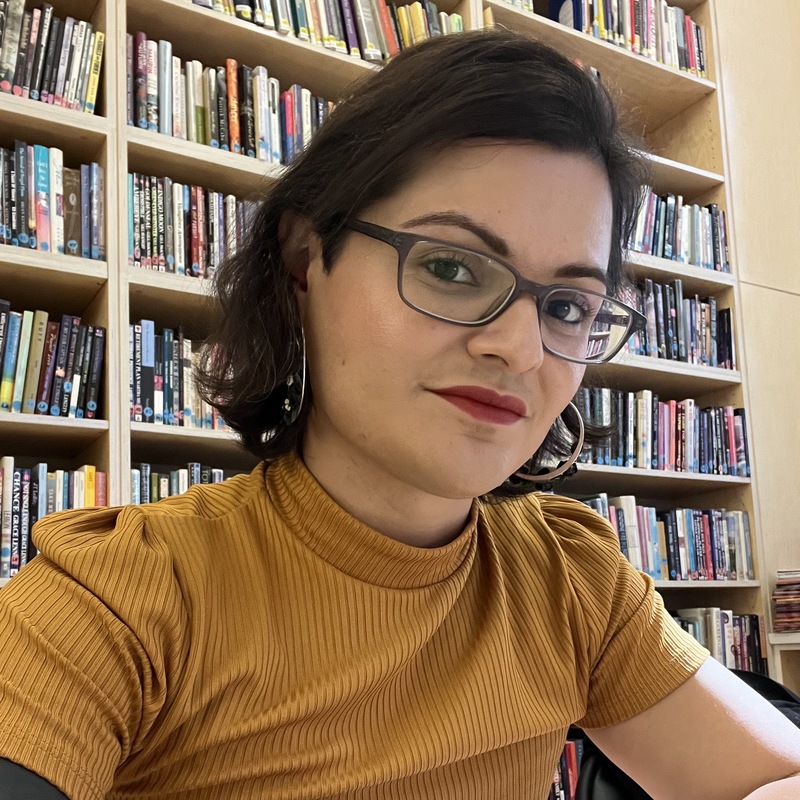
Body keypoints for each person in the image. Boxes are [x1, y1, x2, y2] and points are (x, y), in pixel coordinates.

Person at [0, 27, 798, 800]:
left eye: (567, 305)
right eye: (452, 266)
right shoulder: (120, 599)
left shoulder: (567, 578)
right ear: (307, 260)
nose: (521, 349)